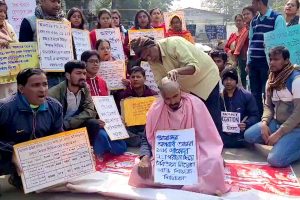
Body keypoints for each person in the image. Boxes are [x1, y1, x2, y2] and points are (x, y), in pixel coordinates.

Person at [128, 78, 229, 195]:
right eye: (168, 98)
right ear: (162, 96)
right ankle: (192, 183)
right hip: (166, 161)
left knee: (214, 162)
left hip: (195, 156)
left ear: (180, 91)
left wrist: (214, 155)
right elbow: (146, 138)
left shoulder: (195, 104)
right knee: (138, 170)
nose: (172, 102)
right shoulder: (155, 110)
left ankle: (181, 181)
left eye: (175, 96)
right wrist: (144, 158)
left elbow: (208, 139)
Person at [130, 36, 222, 134]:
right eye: (145, 58)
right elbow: (159, 81)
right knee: (195, 118)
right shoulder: (151, 59)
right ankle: (195, 143)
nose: (149, 58)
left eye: (149, 54)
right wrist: (164, 97)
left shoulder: (174, 43)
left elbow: (193, 67)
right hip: (187, 86)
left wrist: (176, 71)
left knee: (212, 116)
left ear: (153, 45)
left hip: (206, 77)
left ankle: (218, 143)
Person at [48, 60, 126, 159]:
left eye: (84, 73)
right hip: (59, 128)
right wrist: (64, 125)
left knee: (95, 124)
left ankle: (91, 152)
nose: (82, 77)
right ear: (67, 76)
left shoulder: (85, 88)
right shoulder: (54, 94)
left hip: (72, 124)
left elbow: (90, 111)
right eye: (78, 73)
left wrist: (69, 122)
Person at [0, 68, 63, 189]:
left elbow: (57, 136)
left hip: (37, 158)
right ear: (21, 88)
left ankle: (22, 178)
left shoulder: (55, 107)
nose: (42, 89)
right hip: (7, 155)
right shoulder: (5, 108)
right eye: (35, 85)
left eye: (45, 84)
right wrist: (11, 151)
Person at [244, 46, 300, 167]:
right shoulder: (271, 80)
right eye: (271, 59)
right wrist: (264, 123)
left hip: (296, 127)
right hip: (277, 122)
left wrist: (279, 133)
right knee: (249, 136)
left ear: (286, 61)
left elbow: (298, 113)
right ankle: (285, 143)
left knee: (275, 160)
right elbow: (268, 106)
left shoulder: (296, 80)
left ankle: (291, 144)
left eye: (276, 59)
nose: (272, 62)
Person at [247, 0, 286, 116]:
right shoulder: (254, 20)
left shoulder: (277, 18)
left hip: (267, 63)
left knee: (269, 92)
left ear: (259, 3)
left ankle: (270, 118)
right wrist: (248, 63)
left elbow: (281, 41)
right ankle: (258, 117)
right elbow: (251, 41)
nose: (252, 5)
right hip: (254, 62)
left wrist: (274, 64)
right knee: (255, 93)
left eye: (253, 2)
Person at [19, 0, 67, 88]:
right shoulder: (29, 21)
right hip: (41, 79)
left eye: (59, 2)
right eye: (53, 1)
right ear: (42, 1)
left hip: (64, 77)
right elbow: (24, 55)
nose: (57, 5)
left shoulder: (65, 23)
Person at [117, 66, 158, 147]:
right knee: (120, 130)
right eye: (133, 77)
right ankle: (144, 140)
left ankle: (142, 139)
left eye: (138, 77)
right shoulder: (124, 95)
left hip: (147, 126)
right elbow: (121, 116)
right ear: (130, 79)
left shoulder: (152, 95)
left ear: (145, 78)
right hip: (131, 128)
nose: (135, 79)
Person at [220, 67, 259, 148]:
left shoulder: (247, 96)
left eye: (231, 79)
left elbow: (255, 116)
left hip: (241, 134)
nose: (228, 82)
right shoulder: (218, 97)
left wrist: (246, 124)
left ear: (236, 81)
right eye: (226, 79)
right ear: (222, 81)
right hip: (222, 134)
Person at [233, 6, 256, 88]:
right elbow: (239, 44)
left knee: (252, 78)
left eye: (248, 14)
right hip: (243, 58)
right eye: (244, 14)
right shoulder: (245, 29)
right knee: (244, 78)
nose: (245, 16)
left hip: (253, 57)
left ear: (254, 14)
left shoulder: (253, 26)